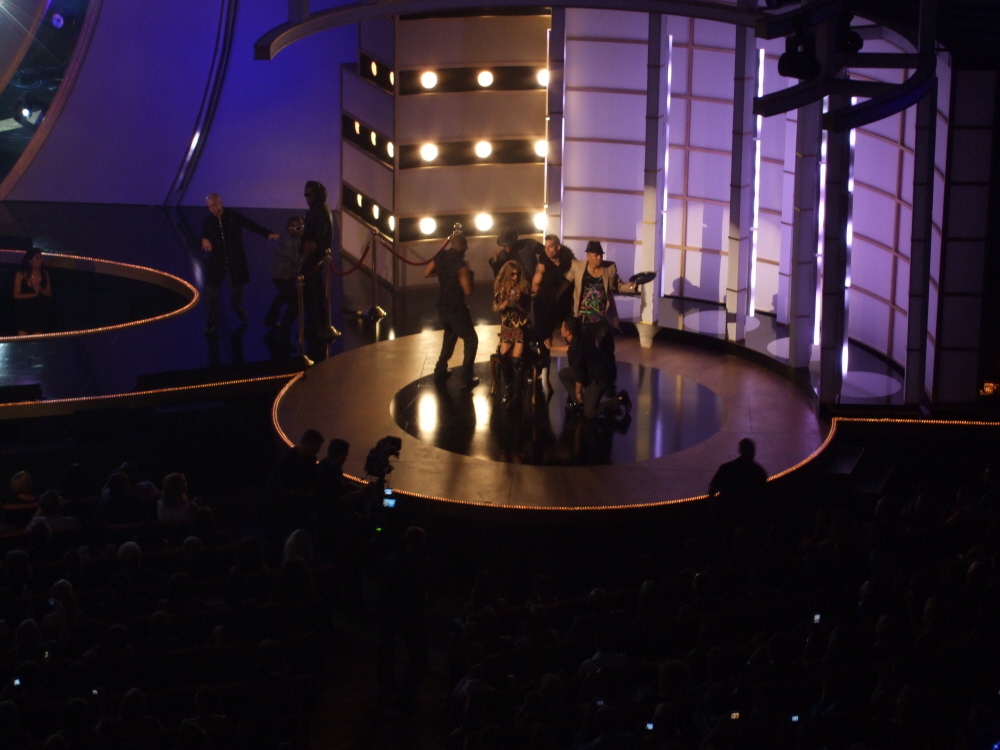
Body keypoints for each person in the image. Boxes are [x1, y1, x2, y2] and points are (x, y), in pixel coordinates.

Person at [200, 193, 279, 335]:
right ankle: (212, 323)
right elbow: (203, 235)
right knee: (211, 294)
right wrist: (204, 239)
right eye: (210, 207)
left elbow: (251, 225)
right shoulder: (208, 222)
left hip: (234, 261)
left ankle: (236, 306)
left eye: (214, 205)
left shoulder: (233, 216)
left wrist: (267, 233)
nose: (213, 209)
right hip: (216, 262)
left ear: (220, 202)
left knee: (237, 290)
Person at [564, 240, 641, 384]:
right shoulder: (577, 266)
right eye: (595, 255)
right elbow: (566, 281)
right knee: (582, 352)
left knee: (607, 351)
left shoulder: (609, 268)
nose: (599, 258)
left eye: (600, 255)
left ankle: (609, 383)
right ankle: (583, 381)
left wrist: (633, 287)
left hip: (602, 319)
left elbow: (618, 285)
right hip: (582, 319)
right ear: (588, 255)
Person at [377, 526, 431, 713]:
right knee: (420, 659)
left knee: (386, 650)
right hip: (412, 616)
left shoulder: (391, 560)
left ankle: (386, 687)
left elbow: (384, 588)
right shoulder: (424, 564)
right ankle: (405, 696)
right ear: (423, 543)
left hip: (391, 612)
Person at [547, 316, 631, 419]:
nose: (560, 328)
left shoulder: (576, 349)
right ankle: (580, 403)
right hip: (592, 371)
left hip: (600, 378)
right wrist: (552, 347)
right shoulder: (579, 337)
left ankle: (619, 399)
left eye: (562, 326)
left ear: (568, 332)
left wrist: (578, 392)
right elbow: (570, 347)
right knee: (563, 374)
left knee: (590, 413)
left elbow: (579, 374)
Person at [425, 233, 479, 388]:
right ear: (462, 246)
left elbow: (426, 273)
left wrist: (443, 274)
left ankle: (440, 370)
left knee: (450, 336)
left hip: (442, 306)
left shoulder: (440, 255)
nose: (466, 250)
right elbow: (468, 290)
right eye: (466, 247)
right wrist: (470, 277)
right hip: (456, 307)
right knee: (471, 340)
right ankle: (466, 377)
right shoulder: (461, 265)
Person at [300, 180, 341, 341]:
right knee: (314, 291)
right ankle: (317, 324)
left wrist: (305, 248)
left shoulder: (318, 212)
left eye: (309, 194)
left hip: (314, 259)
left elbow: (316, 237)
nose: (306, 198)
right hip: (316, 258)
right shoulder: (320, 210)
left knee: (313, 292)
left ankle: (317, 325)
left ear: (316, 195)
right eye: (305, 194)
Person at [531, 234, 575, 362]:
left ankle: (576, 369)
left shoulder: (569, 261)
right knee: (544, 336)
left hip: (564, 303)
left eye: (550, 247)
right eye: (545, 247)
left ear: (558, 247)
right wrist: (546, 296)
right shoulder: (543, 263)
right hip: (545, 303)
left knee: (571, 333)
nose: (547, 250)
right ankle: (543, 370)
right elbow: (534, 285)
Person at [493, 260, 531, 405]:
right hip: (507, 327)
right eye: (512, 274)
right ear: (506, 273)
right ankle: (509, 388)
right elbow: (496, 308)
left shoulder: (524, 287)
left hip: (521, 326)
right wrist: (506, 303)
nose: (515, 277)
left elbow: (527, 310)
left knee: (516, 360)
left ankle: (517, 393)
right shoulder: (499, 286)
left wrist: (518, 303)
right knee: (504, 357)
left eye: (518, 274)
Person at [263, 216, 305, 331]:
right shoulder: (289, 240)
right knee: (294, 305)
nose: (301, 230)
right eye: (298, 228)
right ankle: (284, 331)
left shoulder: (294, 236)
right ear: (289, 228)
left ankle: (270, 320)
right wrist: (307, 251)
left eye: (302, 227)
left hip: (284, 274)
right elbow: (296, 260)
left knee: (282, 297)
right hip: (283, 275)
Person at [708, 438, 767, 517]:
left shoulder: (726, 468)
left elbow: (712, 490)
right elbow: (763, 495)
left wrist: (714, 510)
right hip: (749, 514)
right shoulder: (758, 471)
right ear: (753, 451)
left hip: (727, 513)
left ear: (740, 450)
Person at [12, 248, 51, 336]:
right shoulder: (21, 274)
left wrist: (41, 289)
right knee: (23, 343)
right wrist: (33, 295)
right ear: (30, 261)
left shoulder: (44, 273)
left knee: (36, 344)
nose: (40, 260)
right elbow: (16, 295)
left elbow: (49, 294)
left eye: (41, 257)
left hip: (38, 313)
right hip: (23, 313)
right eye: (37, 258)